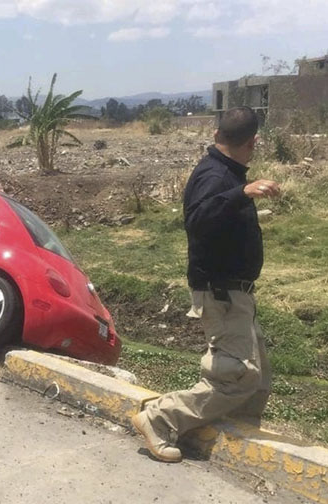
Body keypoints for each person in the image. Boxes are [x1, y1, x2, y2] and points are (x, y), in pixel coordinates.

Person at [132, 106, 279, 463]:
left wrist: (241, 192)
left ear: (216, 136)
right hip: (221, 292)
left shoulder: (224, 171)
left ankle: (235, 436)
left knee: (257, 377)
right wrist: (241, 193)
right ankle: (161, 418)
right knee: (237, 376)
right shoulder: (217, 176)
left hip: (234, 292)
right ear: (254, 141)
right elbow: (199, 220)